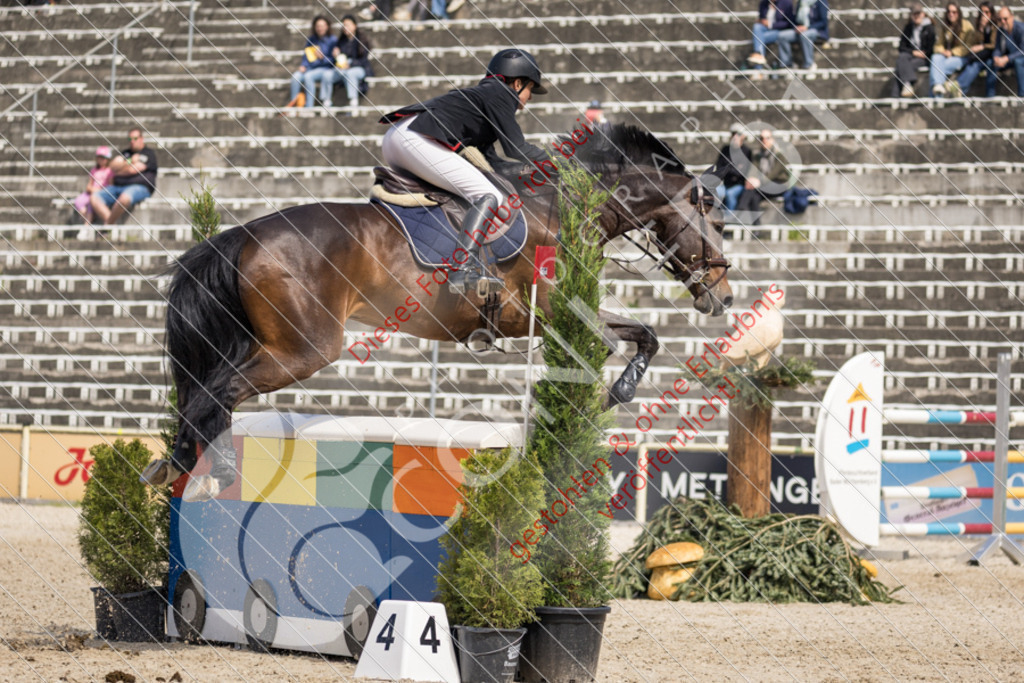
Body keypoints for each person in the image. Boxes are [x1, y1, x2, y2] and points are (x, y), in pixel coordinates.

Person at [379, 49, 549, 294]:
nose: (530, 97)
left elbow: (495, 164)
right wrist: (557, 162)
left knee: (482, 189)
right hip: (417, 138)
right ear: (517, 82)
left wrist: (530, 172)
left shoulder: (485, 97)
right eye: (530, 89)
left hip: (398, 137)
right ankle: (463, 269)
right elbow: (516, 148)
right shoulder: (501, 94)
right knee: (489, 198)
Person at [90, 128, 158, 225]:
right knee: (94, 197)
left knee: (124, 198)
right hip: (117, 187)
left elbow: (132, 170)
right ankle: (111, 224)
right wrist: (130, 161)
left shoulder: (148, 153)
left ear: (141, 138)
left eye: (135, 138)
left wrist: (121, 167)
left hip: (139, 187)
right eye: (130, 139)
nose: (133, 142)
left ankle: (107, 225)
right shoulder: (126, 153)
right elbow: (113, 166)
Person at [735, 129, 794, 226]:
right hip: (763, 185)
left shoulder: (779, 155)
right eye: (762, 138)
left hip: (779, 183)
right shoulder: (758, 156)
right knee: (754, 196)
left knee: (754, 190)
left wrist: (758, 181)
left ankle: (741, 209)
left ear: (772, 140)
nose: (764, 140)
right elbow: (753, 170)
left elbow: (773, 174)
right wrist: (750, 179)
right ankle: (756, 226)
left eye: (767, 138)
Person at [287, 15, 339, 109]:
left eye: (322, 26)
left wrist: (323, 58)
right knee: (296, 77)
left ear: (327, 26)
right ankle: (293, 103)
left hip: (325, 68)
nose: (320, 28)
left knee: (308, 76)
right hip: (310, 67)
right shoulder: (311, 39)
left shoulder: (333, 40)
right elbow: (306, 56)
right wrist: (303, 65)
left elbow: (334, 61)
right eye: (318, 26)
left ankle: (309, 107)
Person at [930, 2, 977, 97]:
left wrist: (952, 52)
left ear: (959, 13)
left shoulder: (967, 25)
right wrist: (942, 51)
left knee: (937, 67)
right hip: (947, 56)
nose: (951, 14)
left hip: (963, 57)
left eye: (954, 12)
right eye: (949, 12)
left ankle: (937, 97)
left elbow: (969, 46)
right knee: (935, 58)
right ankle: (938, 86)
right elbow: (937, 45)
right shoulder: (945, 26)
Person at [329, 15, 373, 112]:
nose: (346, 28)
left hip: (360, 68)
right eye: (344, 25)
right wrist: (336, 56)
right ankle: (326, 101)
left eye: (348, 25)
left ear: (355, 26)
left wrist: (351, 64)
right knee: (328, 75)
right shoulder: (341, 41)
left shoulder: (362, 40)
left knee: (350, 73)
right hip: (343, 69)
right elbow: (338, 60)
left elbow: (364, 60)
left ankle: (353, 101)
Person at [707, 123, 752, 217]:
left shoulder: (747, 151)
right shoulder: (725, 150)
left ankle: (729, 220)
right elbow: (719, 167)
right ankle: (714, 217)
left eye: (738, 134)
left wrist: (730, 170)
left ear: (743, 136)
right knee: (716, 192)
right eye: (733, 134)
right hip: (725, 183)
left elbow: (744, 172)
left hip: (739, 185)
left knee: (730, 194)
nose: (735, 137)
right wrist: (733, 170)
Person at [890, 3, 935, 97]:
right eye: (914, 14)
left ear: (923, 14)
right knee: (902, 58)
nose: (916, 16)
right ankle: (907, 85)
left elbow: (931, 48)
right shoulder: (909, 28)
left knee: (900, 66)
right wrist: (914, 52)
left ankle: (896, 95)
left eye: (918, 13)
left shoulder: (930, 28)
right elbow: (901, 47)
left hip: (925, 58)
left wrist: (923, 54)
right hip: (912, 55)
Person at [956, 2, 998, 95]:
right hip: (983, 57)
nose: (984, 15)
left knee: (985, 64)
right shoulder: (980, 26)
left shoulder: (996, 26)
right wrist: (981, 29)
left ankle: (959, 85)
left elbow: (994, 44)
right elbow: (975, 42)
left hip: (993, 55)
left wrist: (982, 46)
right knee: (974, 64)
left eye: (987, 12)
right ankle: (959, 88)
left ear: (991, 13)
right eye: (982, 12)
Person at [747, 0, 798, 69]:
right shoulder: (764, 3)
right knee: (757, 27)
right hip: (765, 30)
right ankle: (758, 53)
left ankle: (758, 66)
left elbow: (789, 23)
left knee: (759, 38)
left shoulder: (786, 3)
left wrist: (771, 25)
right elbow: (762, 18)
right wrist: (761, 21)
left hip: (779, 31)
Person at [986, 7, 1024, 95]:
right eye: (1000, 19)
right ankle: (989, 96)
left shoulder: (1021, 29)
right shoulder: (1001, 30)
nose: (1003, 21)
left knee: (1018, 62)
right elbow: (998, 48)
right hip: (1010, 59)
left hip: (1020, 58)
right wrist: (996, 57)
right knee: (990, 63)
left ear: (1012, 17)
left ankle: (1022, 95)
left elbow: (1022, 50)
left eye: (1005, 19)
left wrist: (1006, 58)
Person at [73, 146, 114, 225]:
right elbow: (89, 185)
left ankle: (87, 225)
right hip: (91, 192)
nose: (101, 160)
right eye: (99, 157)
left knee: (92, 204)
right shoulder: (94, 170)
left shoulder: (110, 171)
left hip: (102, 193)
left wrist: (99, 190)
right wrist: (93, 189)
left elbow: (110, 186)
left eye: (103, 158)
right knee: (78, 201)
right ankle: (90, 220)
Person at [794, 0, 830, 69]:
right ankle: (787, 64)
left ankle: (809, 64)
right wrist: (797, 27)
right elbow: (795, 19)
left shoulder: (821, 2)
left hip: (817, 31)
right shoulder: (801, 2)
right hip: (801, 29)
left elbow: (823, 22)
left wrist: (807, 28)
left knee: (805, 35)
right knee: (783, 36)